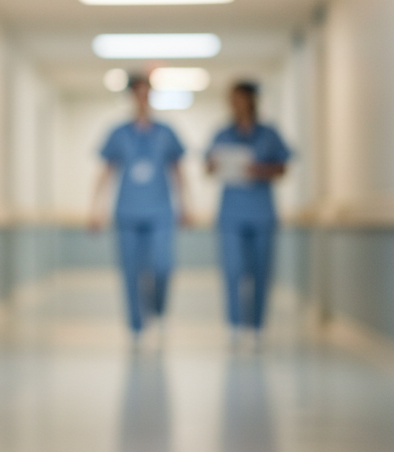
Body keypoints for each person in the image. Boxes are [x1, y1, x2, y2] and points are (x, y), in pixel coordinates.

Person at [89, 73, 190, 337]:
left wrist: (186, 205)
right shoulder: (118, 133)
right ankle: (136, 326)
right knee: (131, 271)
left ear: (151, 95)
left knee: (162, 265)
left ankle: (158, 311)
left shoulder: (166, 132)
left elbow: (177, 170)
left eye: (146, 92)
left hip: (161, 211)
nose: (142, 98)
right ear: (131, 97)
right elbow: (106, 172)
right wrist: (95, 208)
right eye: (137, 93)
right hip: (127, 212)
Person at [205, 81, 290, 344]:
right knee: (232, 270)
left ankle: (257, 325)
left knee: (261, 270)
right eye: (232, 100)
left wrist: (259, 170)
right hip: (231, 213)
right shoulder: (222, 134)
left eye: (240, 99)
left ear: (253, 100)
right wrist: (217, 165)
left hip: (261, 212)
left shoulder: (269, 134)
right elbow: (208, 168)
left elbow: (283, 167)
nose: (236, 105)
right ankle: (234, 324)